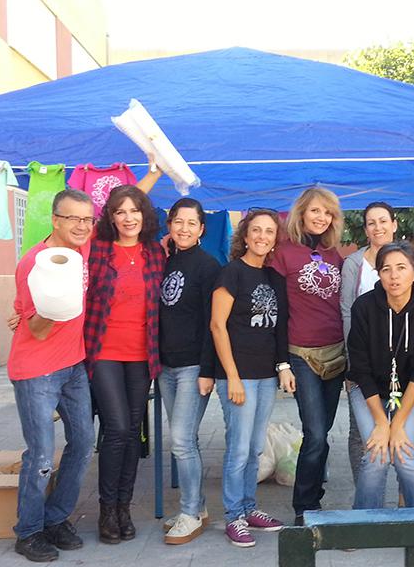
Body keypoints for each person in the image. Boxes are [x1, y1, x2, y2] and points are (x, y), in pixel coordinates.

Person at [7, 189, 96, 562]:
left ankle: (56, 518)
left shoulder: (81, 249)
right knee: (42, 454)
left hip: (74, 364)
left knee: (83, 442)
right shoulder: (33, 264)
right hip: (36, 370)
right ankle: (28, 532)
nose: (82, 226)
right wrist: (54, 302)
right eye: (73, 218)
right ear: (55, 220)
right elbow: (38, 330)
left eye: (87, 219)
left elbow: (127, 206)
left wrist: (155, 170)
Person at [346, 241, 414, 556]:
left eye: (401, 268)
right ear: (379, 274)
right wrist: (381, 423)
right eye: (386, 269)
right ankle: (363, 525)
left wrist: (397, 424)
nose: (394, 276)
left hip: (412, 388)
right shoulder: (364, 307)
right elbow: (360, 369)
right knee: (376, 454)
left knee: (403, 453)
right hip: (369, 389)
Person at [84, 185, 166, 544]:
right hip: (103, 350)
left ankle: (123, 508)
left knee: (132, 430)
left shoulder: (155, 253)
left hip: (142, 353)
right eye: (120, 211)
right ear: (111, 217)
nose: (128, 218)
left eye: (134, 210)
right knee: (116, 428)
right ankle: (106, 509)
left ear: (144, 215)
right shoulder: (97, 248)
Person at [210, 209, 296, 547]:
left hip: (264, 376)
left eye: (269, 231)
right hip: (238, 375)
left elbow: (279, 328)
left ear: (275, 239)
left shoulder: (274, 278)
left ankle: (248, 508)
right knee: (240, 448)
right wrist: (232, 376)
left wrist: (282, 367)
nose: (262, 236)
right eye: (256, 230)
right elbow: (217, 326)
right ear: (245, 236)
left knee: (256, 448)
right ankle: (234, 515)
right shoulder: (231, 272)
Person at [270, 188, 346, 524]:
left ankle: (314, 493)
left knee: (322, 433)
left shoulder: (335, 255)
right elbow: (277, 312)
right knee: (314, 433)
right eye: (315, 210)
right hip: (301, 354)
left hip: (336, 353)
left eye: (328, 213)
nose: (321, 217)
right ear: (301, 213)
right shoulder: (283, 254)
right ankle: (305, 506)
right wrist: (282, 363)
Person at [157, 198, 221, 544]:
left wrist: (207, 370)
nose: (184, 228)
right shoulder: (165, 261)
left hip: (193, 367)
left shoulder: (208, 266)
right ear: (169, 225)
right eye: (178, 222)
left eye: (191, 223)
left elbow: (214, 323)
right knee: (185, 439)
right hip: (165, 366)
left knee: (181, 440)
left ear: (201, 229)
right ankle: (198, 506)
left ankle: (190, 513)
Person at [340, 201, 399, 486]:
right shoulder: (354, 263)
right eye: (371, 223)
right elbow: (347, 313)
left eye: (383, 221)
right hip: (364, 364)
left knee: (402, 431)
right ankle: (366, 496)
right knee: (361, 433)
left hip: (401, 365)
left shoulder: (408, 260)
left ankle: (406, 496)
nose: (378, 227)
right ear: (365, 230)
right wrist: (352, 363)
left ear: (394, 224)